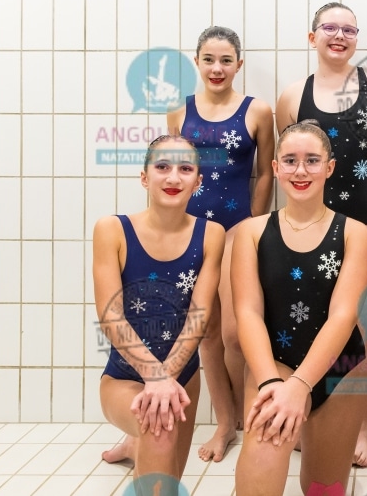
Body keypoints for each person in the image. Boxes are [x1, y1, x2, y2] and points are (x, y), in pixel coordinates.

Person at [276, 1, 367, 467]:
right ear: (312, 37)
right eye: (329, 28)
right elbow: (292, 164)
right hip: (318, 226)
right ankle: (311, 418)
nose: (339, 36)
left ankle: (363, 428)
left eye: (349, 29)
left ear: (357, 38)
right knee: (315, 324)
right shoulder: (293, 96)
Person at [233, 120, 367, 496]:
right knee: (263, 456)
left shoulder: (354, 233)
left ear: (329, 167)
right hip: (273, 364)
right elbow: (247, 313)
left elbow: (344, 315)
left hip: (339, 369)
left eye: (312, 160)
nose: (300, 170)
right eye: (290, 160)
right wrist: (272, 383)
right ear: (275, 167)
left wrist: (301, 384)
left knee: (323, 489)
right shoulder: (252, 232)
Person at [166, 26, 275, 462]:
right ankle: (226, 423)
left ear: (238, 65)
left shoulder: (257, 111)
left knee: (234, 333)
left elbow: (265, 172)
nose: (217, 68)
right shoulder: (179, 112)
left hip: (236, 231)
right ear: (197, 61)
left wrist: (255, 223)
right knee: (206, 333)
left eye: (226, 60)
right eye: (209, 59)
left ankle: (248, 415)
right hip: (192, 232)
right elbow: (172, 173)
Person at [93, 135, 225, 492]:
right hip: (124, 377)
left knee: (166, 478)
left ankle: (135, 446)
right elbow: (111, 317)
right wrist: (154, 377)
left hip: (183, 377)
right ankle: (136, 441)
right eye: (163, 166)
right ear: (144, 177)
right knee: (158, 429)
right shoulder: (112, 230)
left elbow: (199, 315)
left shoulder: (211, 234)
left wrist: (167, 378)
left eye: (185, 169)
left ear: (198, 181)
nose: (173, 177)